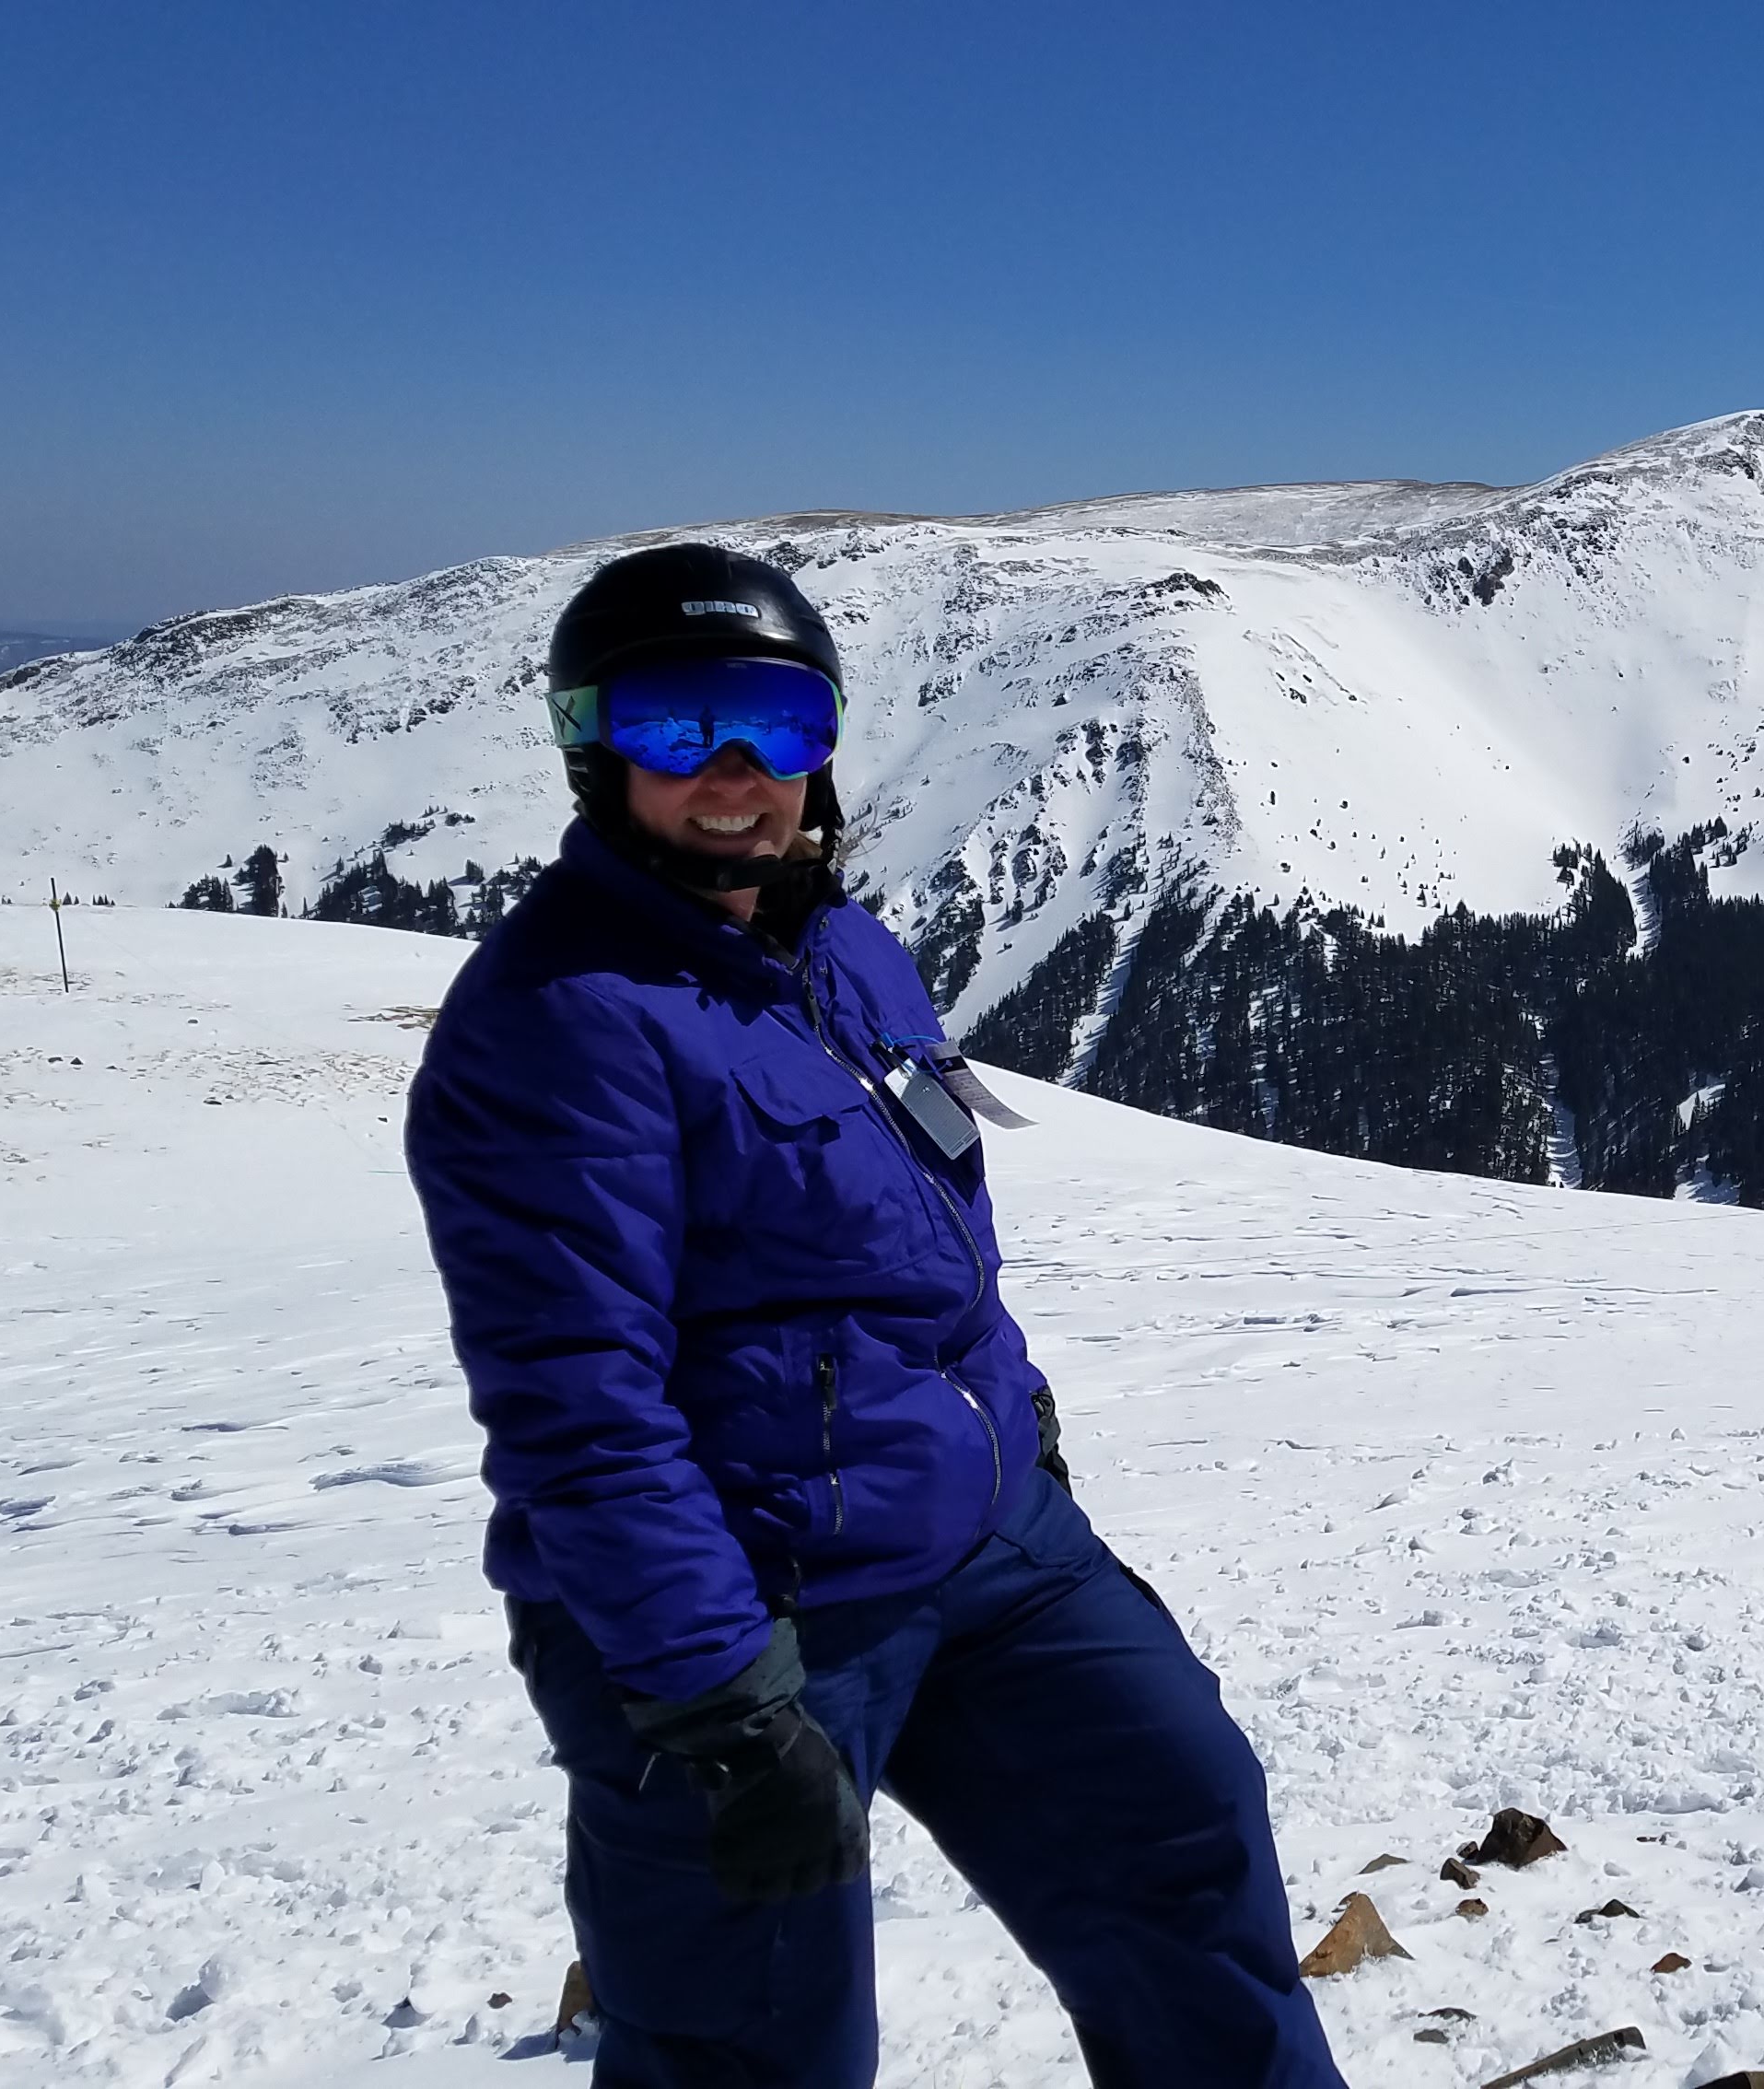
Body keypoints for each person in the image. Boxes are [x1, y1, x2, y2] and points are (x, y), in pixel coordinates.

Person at [404, 543, 1347, 2088]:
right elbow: (579, 1403)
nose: (733, 775)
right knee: (759, 2047)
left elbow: (935, 1241)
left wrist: (1020, 1435)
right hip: (743, 1618)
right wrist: (717, 1700)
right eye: (675, 725)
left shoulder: (842, 950)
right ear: (594, 747)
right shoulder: (558, 1026)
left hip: (985, 1551)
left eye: (774, 725)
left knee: (1183, 1837)